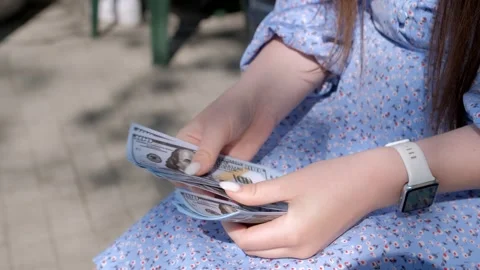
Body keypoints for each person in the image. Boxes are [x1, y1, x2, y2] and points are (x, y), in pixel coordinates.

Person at [93, 0, 480, 268]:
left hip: (453, 167)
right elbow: (316, 18)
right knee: (177, 239)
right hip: (337, 105)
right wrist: (251, 100)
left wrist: (381, 177)